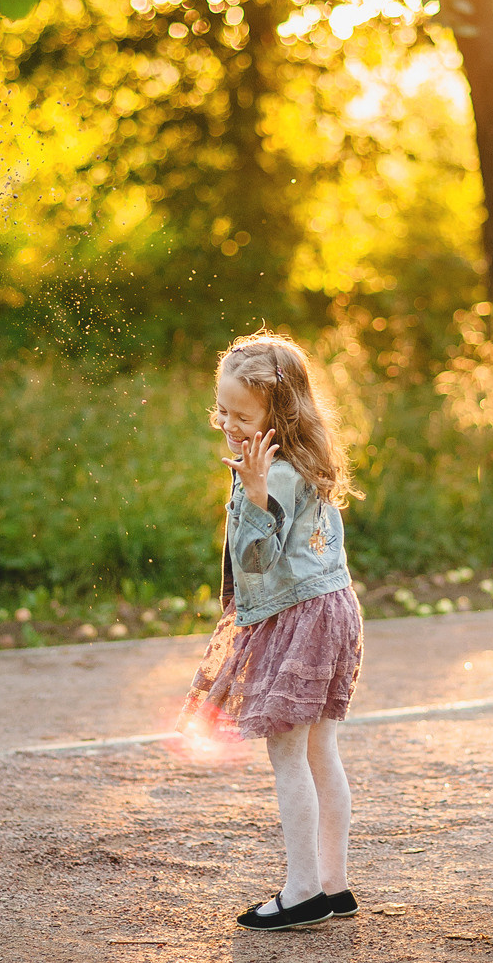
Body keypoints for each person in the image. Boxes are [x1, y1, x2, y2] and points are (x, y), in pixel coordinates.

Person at [177, 330, 364, 932]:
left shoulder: (273, 474)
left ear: (277, 414)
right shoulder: (307, 457)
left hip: (298, 618)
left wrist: (254, 496)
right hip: (331, 607)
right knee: (320, 750)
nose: (228, 423)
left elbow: (256, 561)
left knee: (288, 754)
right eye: (222, 410)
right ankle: (333, 884)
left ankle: (303, 890)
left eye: (241, 414)